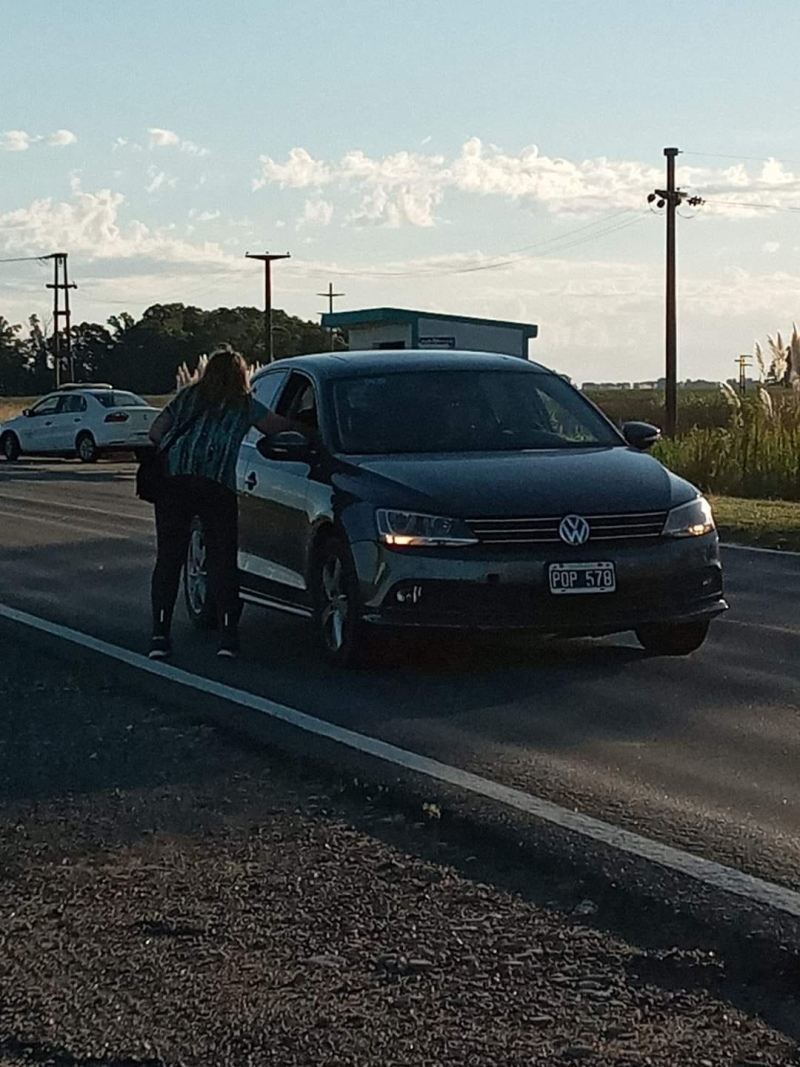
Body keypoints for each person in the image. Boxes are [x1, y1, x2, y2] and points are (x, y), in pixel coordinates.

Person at [146, 344, 297, 661]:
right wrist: (307, 429)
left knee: (169, 559)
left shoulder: (188, 397)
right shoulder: (244, 404)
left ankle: (160, 635)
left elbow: (156, 430)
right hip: (217, 485)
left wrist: (181, 451)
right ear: (241, 375)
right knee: (222, 559)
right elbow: (275, 428)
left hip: (175, 483)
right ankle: (228, 638)